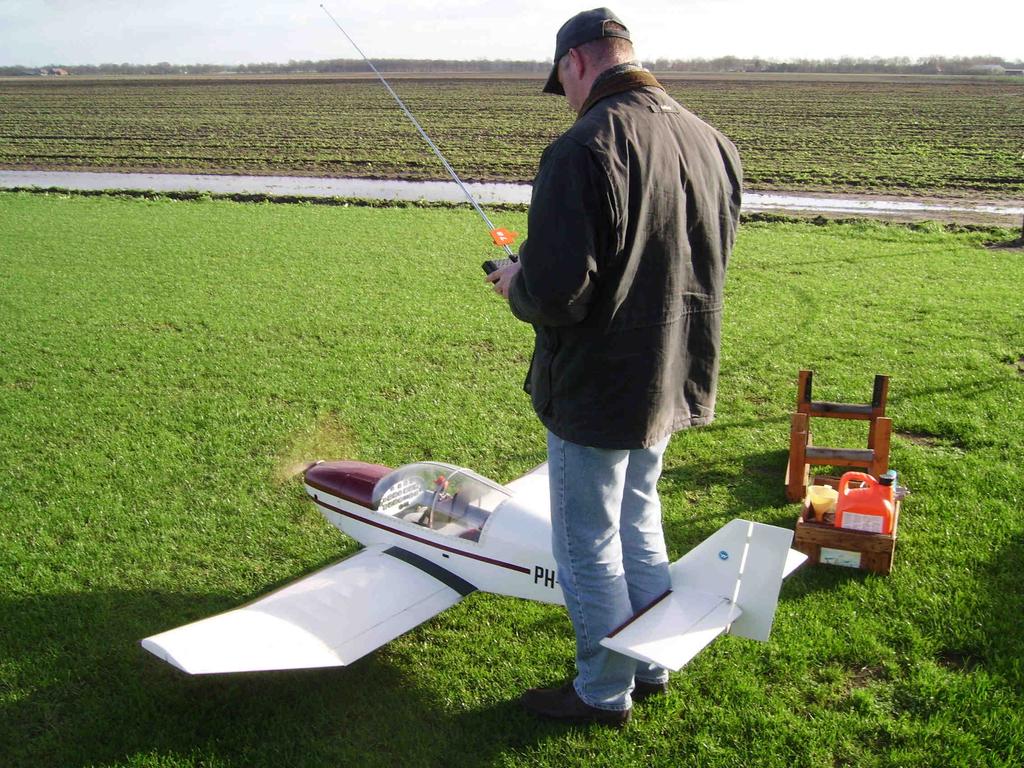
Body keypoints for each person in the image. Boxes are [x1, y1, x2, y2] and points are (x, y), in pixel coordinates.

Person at [486, 8, 742, 726]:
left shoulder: (581, 147)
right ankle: (651, 662)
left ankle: (602, 691)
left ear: (575, 63)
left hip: (599, 389)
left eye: (560, 82)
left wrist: (517, 284)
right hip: (670, 376)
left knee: (588, 540)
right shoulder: (713, 142)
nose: (564, 96)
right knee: (639, 518)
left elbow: (561, 293)